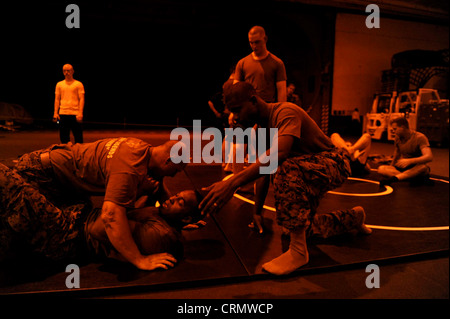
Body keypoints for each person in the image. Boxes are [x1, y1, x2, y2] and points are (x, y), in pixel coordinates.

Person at [199, 82, 371, 275]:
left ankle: (298, 252)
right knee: (298, 227)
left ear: (253, 101)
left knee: (284, 168)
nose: (236, 117)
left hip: (335, 162)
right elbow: (264, 170)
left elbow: (279, 155)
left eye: (238, 110)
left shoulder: (285, 112)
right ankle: (354, 217)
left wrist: (233, 182)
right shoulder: (260, 130)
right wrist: (257, 212)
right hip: (308, 169)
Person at [10, 138, 188, 271]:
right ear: (167, 161)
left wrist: (180, 216)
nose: (173, 176)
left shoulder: (142, 149)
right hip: (41, 176)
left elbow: (159, 187)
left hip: (60, 178)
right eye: (175, 171)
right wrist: (139, 259)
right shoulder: (130, 168)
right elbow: (110, 216)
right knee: (18, 228)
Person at [234, 26, 287, 103]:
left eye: (257, 42)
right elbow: (236, 90)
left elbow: (282, 93)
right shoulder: (242, 63)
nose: (254, 46)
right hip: (249, 108)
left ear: (265, 39)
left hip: (268, 109)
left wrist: (280, 112)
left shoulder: (277, 63)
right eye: (251, 43)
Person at [378, 117, 433, 186]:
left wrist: (410, 161)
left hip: (417, 167)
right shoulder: (397, 137)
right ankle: (410, 178)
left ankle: (396, 178)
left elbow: (429, 157)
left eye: (395, 129)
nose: (393, 131)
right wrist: (391, 166)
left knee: (423, 167)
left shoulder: (420, 137)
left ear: (403, 127)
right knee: (381, 168)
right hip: (405, 168)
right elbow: (397, 153)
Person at [54, 64, 85, 144]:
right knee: (64, 137)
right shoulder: (59, 84)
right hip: (63, 113)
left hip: (75, 113)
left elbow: (81, 99)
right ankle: (67, 153)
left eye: (68, 70)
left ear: (72, 71)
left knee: (78, 136)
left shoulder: (78, 84)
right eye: (64, 70)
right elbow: (57, 99)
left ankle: (79, 153)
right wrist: (55, 113)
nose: (66, 72)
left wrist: (80, 112)